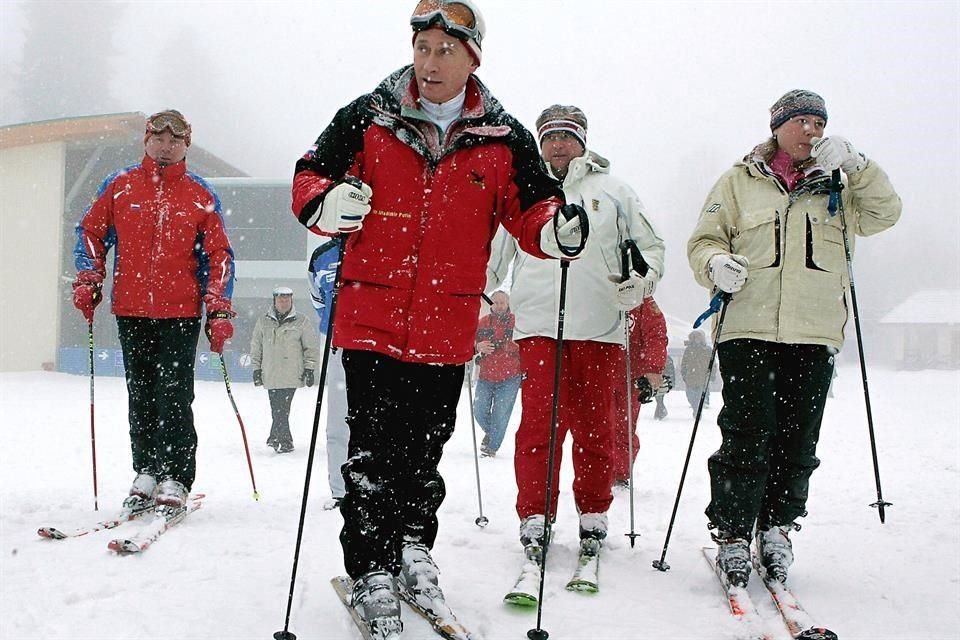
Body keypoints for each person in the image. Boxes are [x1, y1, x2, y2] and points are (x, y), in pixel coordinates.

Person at [289, 2, 586, 635]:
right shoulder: (367, 117)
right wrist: (327, 203)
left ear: (472, 56)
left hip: (445, 326)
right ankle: (371, 566)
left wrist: (555, 233)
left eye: (444, 51)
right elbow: (310, 177)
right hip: (369, 314)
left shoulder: (504, 138)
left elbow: (533, 210)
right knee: (369, 451)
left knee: (424, 452)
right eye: (422, 47)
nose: (429, 62)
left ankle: (413, 548)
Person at [687, 89, 901, 588]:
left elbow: (886, 215)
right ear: (778, 126)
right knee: (745, 434)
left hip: (814, 330)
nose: (812, 130)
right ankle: (735, 534)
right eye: (802, 120)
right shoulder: (739, 181)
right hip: (747, 328)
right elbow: (704, 240)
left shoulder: (843, 185)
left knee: (798, 439)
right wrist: (714, 265)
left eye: (820, 121)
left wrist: (861, 165)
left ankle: (778, 529)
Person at [487, 104, 664, 569]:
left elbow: (652, 249)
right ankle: (535, 515)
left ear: (583, 141)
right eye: (549, 137)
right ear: (540, 144)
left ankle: (593, 511)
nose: (558, 144)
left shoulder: (615, 191)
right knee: (538, 428)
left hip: (599, 330)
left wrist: (640, 283)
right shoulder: (525, 192)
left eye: (567, 136)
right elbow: (492, 256)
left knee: (596, 429)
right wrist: (468, 294)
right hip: (538, 328)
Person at [72, 109, 235, 513]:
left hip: (180, 313)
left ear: (186, 145)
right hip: (131, 309)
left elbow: (219, 255)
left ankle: (175, 475)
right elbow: (90, 231)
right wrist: (89, 277)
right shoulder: (120, 185)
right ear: (146, 140)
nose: (166, 147)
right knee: (141, 393)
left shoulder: (200, 193)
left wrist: (218, 308)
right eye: (159, 139)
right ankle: (146, 469)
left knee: (175, 395)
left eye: (174, 141)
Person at [249, 286, 320, 454]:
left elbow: (310, 347)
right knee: (278, 407)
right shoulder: (263, 321)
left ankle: (285, 441)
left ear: (292, 301)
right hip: (270, 373)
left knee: (281, 407)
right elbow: (256, 346)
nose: (284, 303)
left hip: (292, 373)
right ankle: (275, 437)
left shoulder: (302, 321)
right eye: (281, 300)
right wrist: (256, 368)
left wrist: (310, 368)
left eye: (287, 300)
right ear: (274, 301)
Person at [308, 240, 349, 509]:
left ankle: (374, 486)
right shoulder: (321, 256)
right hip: (335, 339)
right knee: (337, 420)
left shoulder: (377, 242)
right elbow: (319, 301)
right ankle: (340, 490)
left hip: (373, 341)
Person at [611, 297, 668, 487]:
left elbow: (656, 333)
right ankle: (598, 473)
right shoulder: (593, 287)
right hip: (597, 371)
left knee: (624, 427)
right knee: (596, 427)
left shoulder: (641, 298)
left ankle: (618, 474)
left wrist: (653, 368)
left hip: (630, 376)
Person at [473, 291, 522, 458]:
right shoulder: (482, 323)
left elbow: (530, 343)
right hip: (486, 375)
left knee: (500, 414)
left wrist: (517, 345)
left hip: (510, 376)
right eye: (496, 302)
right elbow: (469, 342)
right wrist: (478, 346)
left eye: (503, 302)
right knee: (478, 411)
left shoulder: (518, 323)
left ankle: (491, 447)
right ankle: (494, 432)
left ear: (508, 304)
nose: (499, 305)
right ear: (490, 304)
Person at [680, 330, 713, 415]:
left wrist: (711, 375)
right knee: (690, 396)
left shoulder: (708, 350)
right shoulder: (688, 349)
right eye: (694, 337)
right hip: (690, 377)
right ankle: (696, 408)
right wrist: (684, 374)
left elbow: (713, 363)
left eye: (698, 337)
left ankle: (697, 410)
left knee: (699, 397)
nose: (696, 339)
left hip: (702, 378)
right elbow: (684, 363)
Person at [654, 354, 676, 421]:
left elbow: (671, 371)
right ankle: (660, 411)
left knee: (659, 397)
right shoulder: (667, 359)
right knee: (659, 397)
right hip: (661, 379)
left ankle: (660, 412)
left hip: (662, 380)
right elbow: (672, 371)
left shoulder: (667, 359)